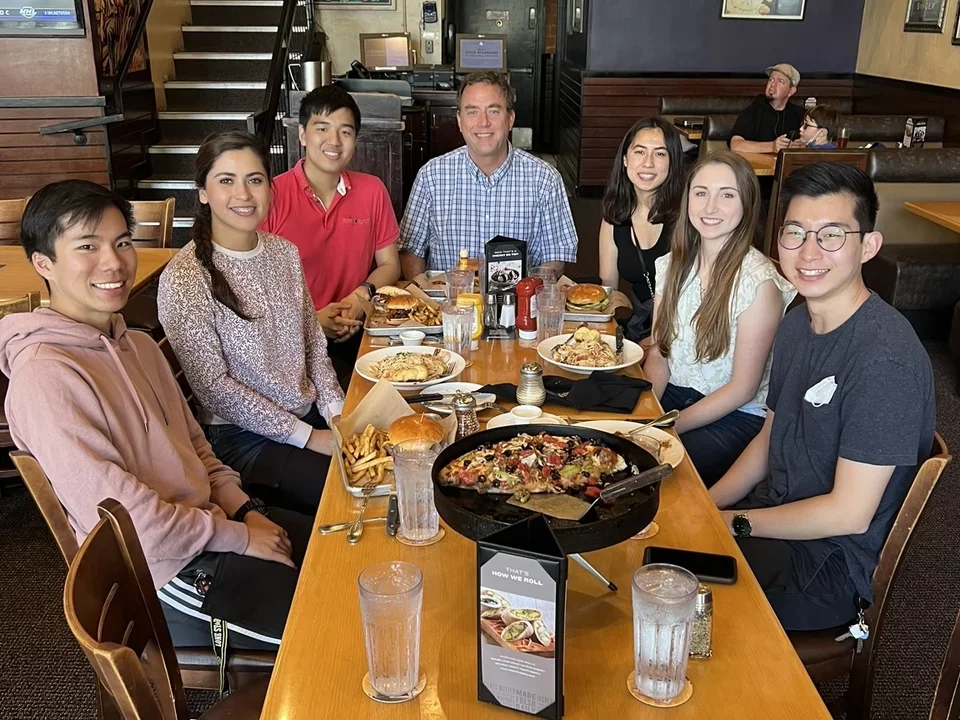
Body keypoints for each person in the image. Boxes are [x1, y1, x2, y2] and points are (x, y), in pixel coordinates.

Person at [0, 179, 310, 650]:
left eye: (122, 242)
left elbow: (198, 449)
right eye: (88, 246)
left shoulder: (139, 344)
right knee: (338, 622)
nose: (113, 262)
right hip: (164, 576)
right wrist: (238, 537)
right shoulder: (45, 379)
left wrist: (246, 511)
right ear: (43, 263)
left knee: (347, 548)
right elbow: (132, 525)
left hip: (209, 527)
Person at [709, 163, 935, 632]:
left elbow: (849, 514)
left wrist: (735, 523)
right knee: (660, 541)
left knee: (668, 586)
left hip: (829, 565)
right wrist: (706, 507)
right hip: (776, 516)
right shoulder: (795, 323)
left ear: (867, 246)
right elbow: (769, 440)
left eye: (831, 235)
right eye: (795, 233)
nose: (808, 251)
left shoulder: (884, 359)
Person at [158, 130, 344, 516]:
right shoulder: (186, 276)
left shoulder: (284, 253)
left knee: (388, 463)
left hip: (306, 414)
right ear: (204, 192)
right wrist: (310, 437)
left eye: (254, 180)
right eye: (226, 181)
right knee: (345, 494)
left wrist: (336, 411)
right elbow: (213, 389)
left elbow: (312, 343)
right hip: (244, 437)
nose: (243, 195)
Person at [643, 151, 796, 487]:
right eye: (701, 193)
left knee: (659, 474)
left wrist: (666, 427)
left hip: (734, 416)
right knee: (608, 445)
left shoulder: (758, 284)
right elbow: (659, 351)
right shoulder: (671, 266)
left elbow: (742, 389)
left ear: (747, 205)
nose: (710, 208)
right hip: (674, 396)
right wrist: (646, 415)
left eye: (727, 195)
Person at [262, 86, 401, 383]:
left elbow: (391, 264)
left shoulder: (372, 190)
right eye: (322, 128)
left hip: (359, 328)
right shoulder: (271, 195)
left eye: (345, 132)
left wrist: (360, 297)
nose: (334, 141)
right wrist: (312, 321)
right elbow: (259, 292)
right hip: (290, 339)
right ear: (302, 135)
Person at [399, 71, 577, 278]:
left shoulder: (545, 179)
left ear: (510, 119)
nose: (483, 122)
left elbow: (556, 255)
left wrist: (527, 297)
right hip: (448, 305)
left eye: (493, 111)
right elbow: (409, 249)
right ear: (459, 120)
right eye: (472, 111)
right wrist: (426, 300)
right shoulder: (431, 176)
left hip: (518, 304)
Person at [599, 117, 685, 345]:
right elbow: (608, 291)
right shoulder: (615, 218)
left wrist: (653, 344)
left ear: (673, 162)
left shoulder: (688, 217)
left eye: (659, 153)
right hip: (640, 330)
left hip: (681, 331)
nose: (648, 163)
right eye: (639, 152)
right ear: (626, 159)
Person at [730, 63, 804, 155]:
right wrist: (772, 146)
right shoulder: (752, 112)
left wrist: (801, 145)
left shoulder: (800, 114)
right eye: (771, 79)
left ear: (791, 91)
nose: (773, 84)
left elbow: (812, 142)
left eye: (780, 81)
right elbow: (735, 145)